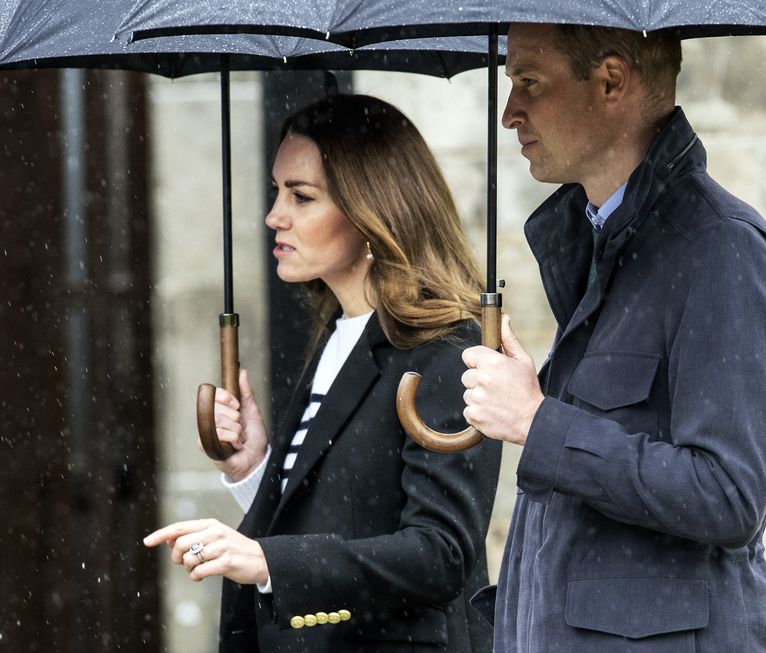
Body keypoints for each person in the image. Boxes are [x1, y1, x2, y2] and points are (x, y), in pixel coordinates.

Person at [460, 23, 766, 652]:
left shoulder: (722, 252)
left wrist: (538, 421)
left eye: (529, 83)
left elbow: (728, 495)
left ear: (612, 81)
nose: (510, 112)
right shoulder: (603, 245)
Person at [144, 93, 502, 653]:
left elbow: (441, 555)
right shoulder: (339, 331)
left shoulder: (446, 347)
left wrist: (263, 559)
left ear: (370, 212)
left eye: (301, 196)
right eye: (276, 191)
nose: (273, 217)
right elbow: (340, 517)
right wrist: (255, 471)